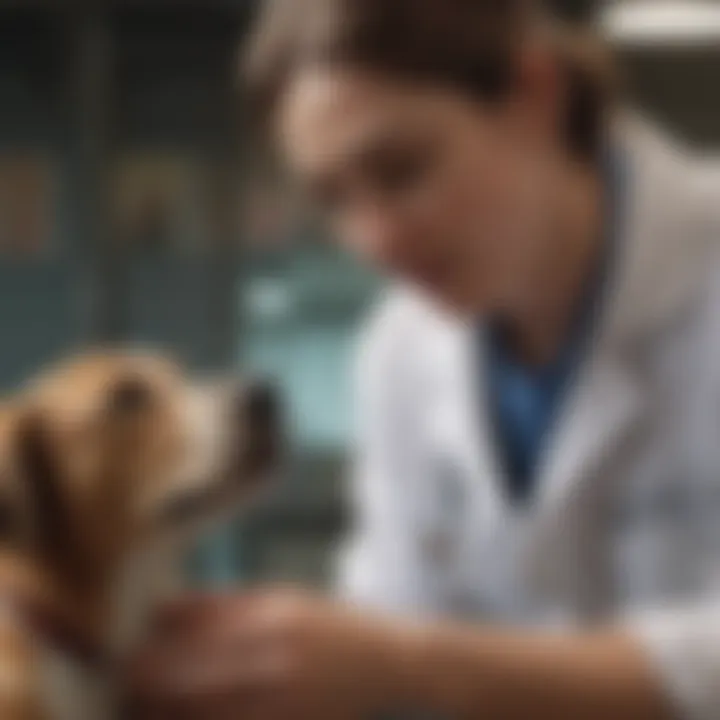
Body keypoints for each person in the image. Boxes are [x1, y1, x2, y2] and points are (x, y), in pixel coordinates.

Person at [127, 1, 720, 718]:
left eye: (401, 170)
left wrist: (408, 664)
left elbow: (399, 660)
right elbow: (389, 629)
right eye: (333, 200)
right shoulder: (400, 354)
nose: (374, 239)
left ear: (534, 93)